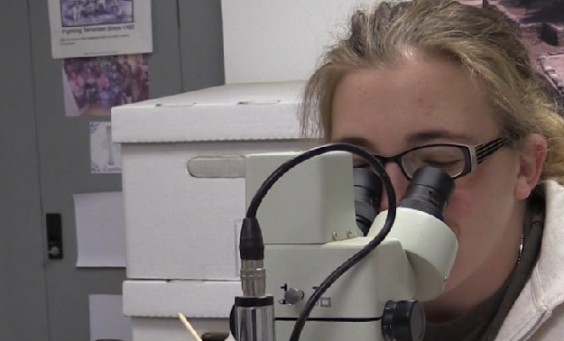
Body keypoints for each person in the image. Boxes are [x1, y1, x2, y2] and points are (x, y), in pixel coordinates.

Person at [300, 0, 564, 339]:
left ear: (526, 167)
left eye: (438, 163)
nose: (389, 205)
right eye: (359, 167)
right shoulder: (302, 281)